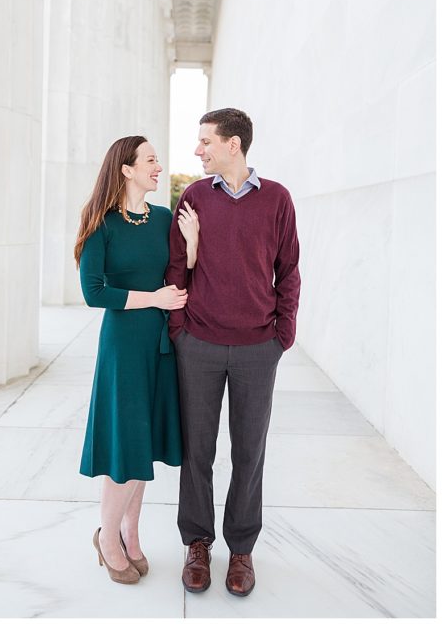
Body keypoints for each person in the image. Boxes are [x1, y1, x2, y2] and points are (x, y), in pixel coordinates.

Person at [166, 108, 300, 597]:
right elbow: (177, 268)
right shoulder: (196, 196)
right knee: (197, 452)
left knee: (249, 452)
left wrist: (281, 336)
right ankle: (197, 543)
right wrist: (179, 329)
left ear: (233, 145)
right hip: (197, 343)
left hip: (256, 349)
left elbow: (289, 272)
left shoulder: (278, 199)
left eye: (205, 142)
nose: (198, 150)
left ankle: (241, 548)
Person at [75, 135, 194, 585]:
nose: (158, 166)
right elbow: (93, 292)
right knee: (126, 442)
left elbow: (181, 274)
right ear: (126, 169)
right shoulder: (100, 222)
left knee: (143, 441)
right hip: (123, 343)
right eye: (150, 160)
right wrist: (153, 298)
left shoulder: (163, 217)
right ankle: (106, 539)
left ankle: (131, 533)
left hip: (160, 343)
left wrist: (194, 243)